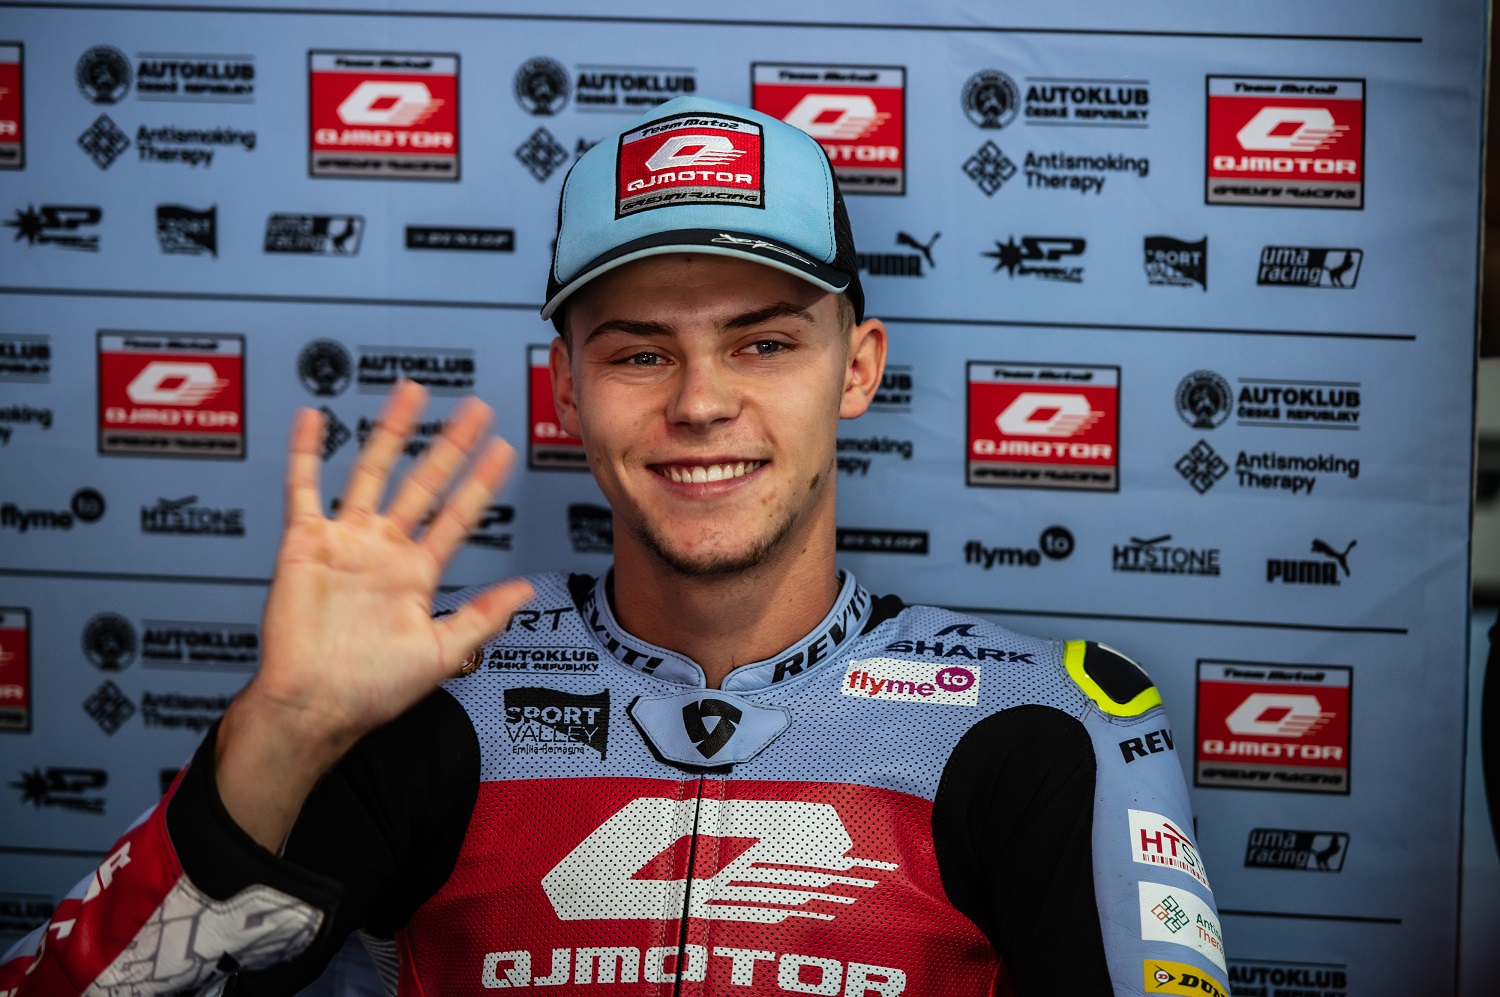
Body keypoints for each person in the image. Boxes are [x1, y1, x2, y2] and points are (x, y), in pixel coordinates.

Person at [0, 96, 1223, 996]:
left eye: (763, 343)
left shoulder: (1043, 727)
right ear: (568, 390)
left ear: (857, 370)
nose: (700, 402)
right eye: (640, 352)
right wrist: (280, 735)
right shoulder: (425, 707)